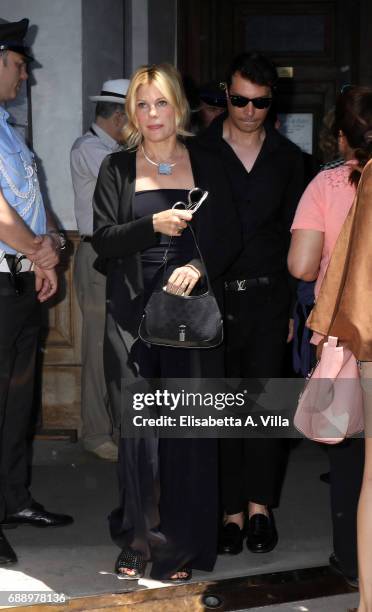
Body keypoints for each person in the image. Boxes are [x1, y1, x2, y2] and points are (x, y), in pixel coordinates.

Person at [92, 63, 241, 581]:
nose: (151, 114)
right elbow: (105, 240)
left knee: (189, 435)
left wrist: (197, 268)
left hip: (191, 312)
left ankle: (183, 545)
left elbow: (227, 236)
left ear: (178, 106)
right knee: (140, 436)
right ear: (131, 111)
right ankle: (138, 540)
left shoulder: (209, 159)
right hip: (132, 314)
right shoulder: (116, 167)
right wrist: (150, 225)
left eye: (160, 103)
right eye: (141, 104)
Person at [199, 51, 304, 555]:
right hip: (210, 298)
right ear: (226, 94)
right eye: (239, 100)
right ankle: (230, 512)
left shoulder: (289, 159)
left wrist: (288, 310)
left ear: (271, 103)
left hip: (266, 299)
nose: (247, 111)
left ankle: (260, 509)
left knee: (263, 407)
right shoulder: (196, 151)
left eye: (259, 103)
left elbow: (294, 239)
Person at [288, 86, 372, 599]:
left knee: (349, 460)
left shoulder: (326, 185)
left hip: (345, 333)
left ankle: (352, 564)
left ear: (341, 137)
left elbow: (300, 265)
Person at [0, 18, 73, 565]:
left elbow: (29, 193)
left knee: (17, 402)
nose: (25, 77)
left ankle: (13, 499)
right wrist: (36, 249)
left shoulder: (6, 127)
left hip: (19, 280)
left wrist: (46, 245)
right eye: (19, 65)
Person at [70, 78, 129, 461]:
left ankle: (121, 427)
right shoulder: (92, 149)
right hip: (96, 257)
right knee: (96, 348)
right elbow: (129, 186)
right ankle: (95, 433)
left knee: (119, 347)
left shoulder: (109, 149)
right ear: (120, 115)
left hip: (116, 254)